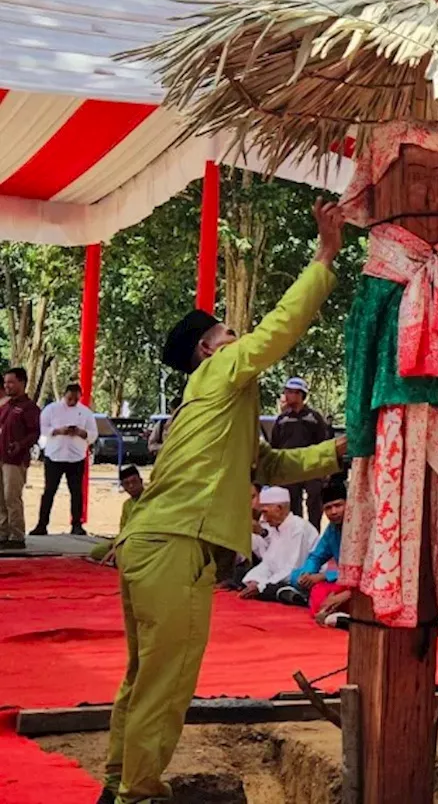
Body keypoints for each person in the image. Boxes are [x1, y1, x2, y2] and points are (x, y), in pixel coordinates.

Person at [101, 199, 346, 804]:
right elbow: (276, 333)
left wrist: (340, 451)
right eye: (229, 336)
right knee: (167, 683)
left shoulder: (215, 408)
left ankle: (115, 784)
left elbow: (270, 468)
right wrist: (324, 257)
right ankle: (137, 794)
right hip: (176, 546)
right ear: (211, 351)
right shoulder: (218, 376)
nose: (241, 343)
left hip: (149, 545)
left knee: (143, 679)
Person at [36, 382, 98, 536]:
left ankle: (77, 524)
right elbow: (42, 428)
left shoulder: (86, 412)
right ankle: (42, 525)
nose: (72, 402)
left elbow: (93, 433)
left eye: (75, 399)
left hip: (76, 457)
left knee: (76, 492)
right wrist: (57, 431)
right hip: (55, 456)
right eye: (70, 398)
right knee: (49, 491)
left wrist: (81, 432)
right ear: (65, 395)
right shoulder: (51, 409)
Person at [270, 376, 333, 530]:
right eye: (287, 391)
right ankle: (296, 536)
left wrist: (325, 469)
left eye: (291, 392)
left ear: (300, 395)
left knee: (314, 502)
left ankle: (313, 535)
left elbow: (324, 443)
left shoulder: (314, 418)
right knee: (292, 503)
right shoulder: (282, 420)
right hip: (289, 469)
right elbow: (275, 446)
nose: (287, 395)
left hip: (312, 468)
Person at [281, 479, 349, 617]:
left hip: (357, 583)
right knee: (298, 577)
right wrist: (307, 574)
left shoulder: (360, 527)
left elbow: (367, 572)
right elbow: (316, 556)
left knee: (323, 591)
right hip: (339, 581)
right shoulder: (332, 530)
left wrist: (325, 576)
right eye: (328, 508)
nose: (333, 512)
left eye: (338, 505)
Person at [239, 486, 319, 600]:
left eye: (265, 512)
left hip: (303, 579)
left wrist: (261, 586)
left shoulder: (299, 529)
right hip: (278, 579)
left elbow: (293, 569)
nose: (264, 519)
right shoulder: (276, 529)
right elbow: (268, 563)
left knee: (273, 590)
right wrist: (255, 580)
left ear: (279, 508)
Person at [0, 367, 41, 550]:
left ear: (22, 383)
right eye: (5, 382)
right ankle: (3, 532)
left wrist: (20, 445)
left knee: (11, 497)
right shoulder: (6, 406)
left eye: (11, 382)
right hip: (1, 457)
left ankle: (17, 535)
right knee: (0, 497)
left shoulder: (29, 407)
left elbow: (35, 432)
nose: (7, 386)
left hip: (15, 461)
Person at [89, 466, 147, 564]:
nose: (131, 486)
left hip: (144, 541)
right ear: (123, 487)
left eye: (134, 482)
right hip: (127, 540)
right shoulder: (127, 505)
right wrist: (117, 545)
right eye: (127, 484)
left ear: (141, 481)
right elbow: (123, 529)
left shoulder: (151, 499)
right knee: (97, 551)